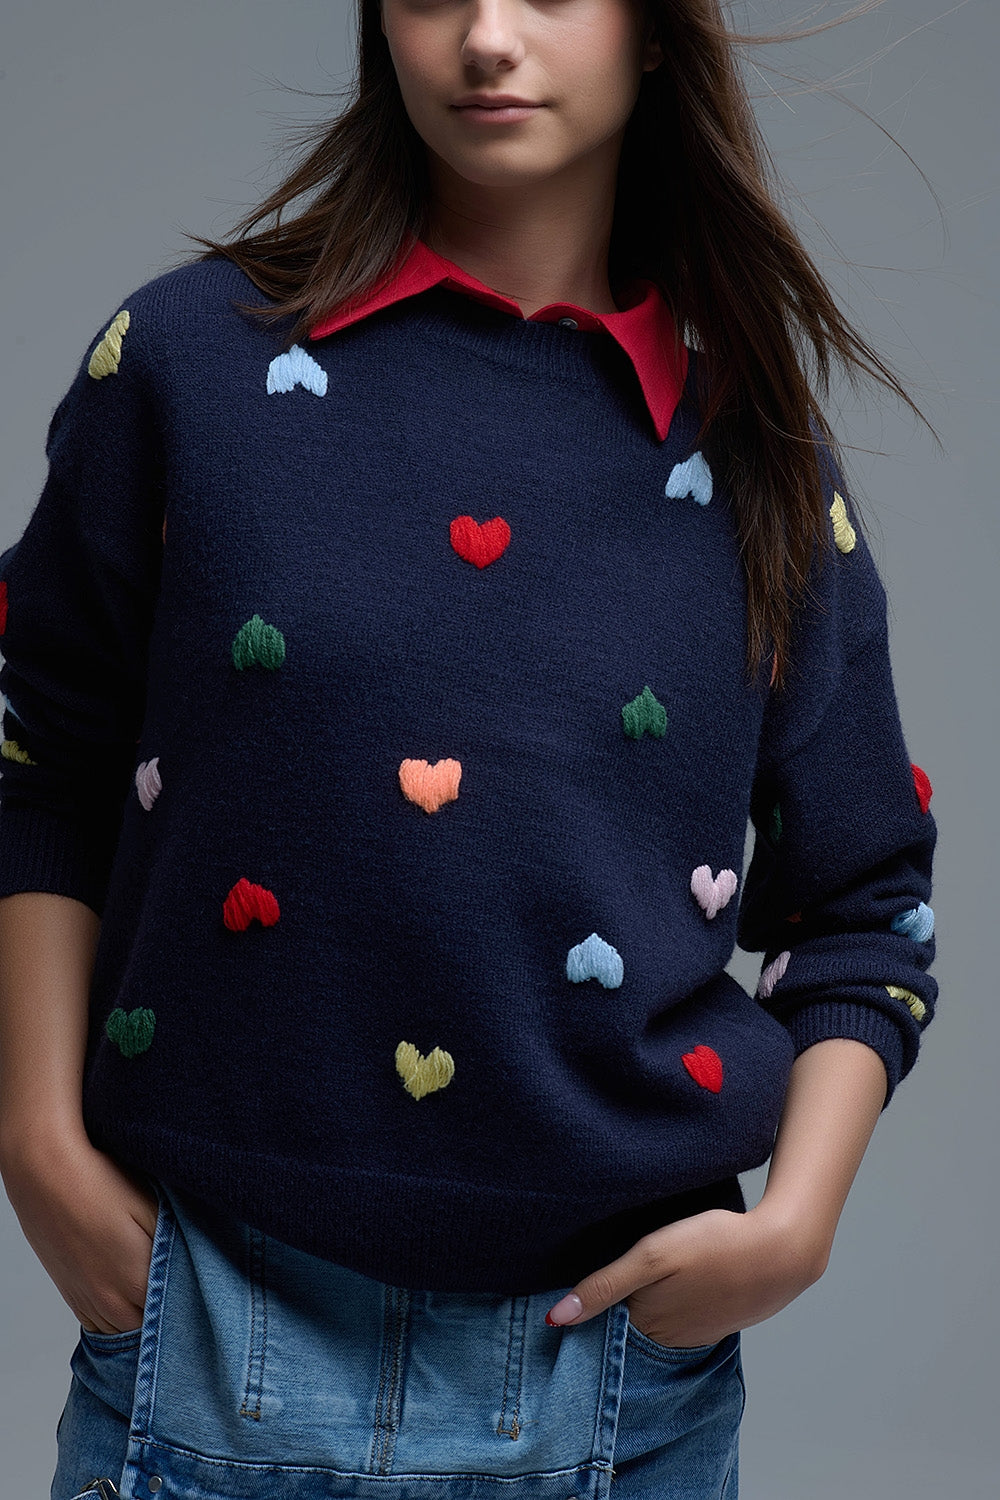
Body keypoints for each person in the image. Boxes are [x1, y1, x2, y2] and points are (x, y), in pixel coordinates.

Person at [0, 2, 938, 1497]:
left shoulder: (753, 450)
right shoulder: (186, 363)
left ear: (655, 32)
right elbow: (39, 755)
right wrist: (36, 1139)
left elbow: (868, 902)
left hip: (616, 1392)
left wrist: (794, 1228)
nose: (487, 37)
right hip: (204, 1342)